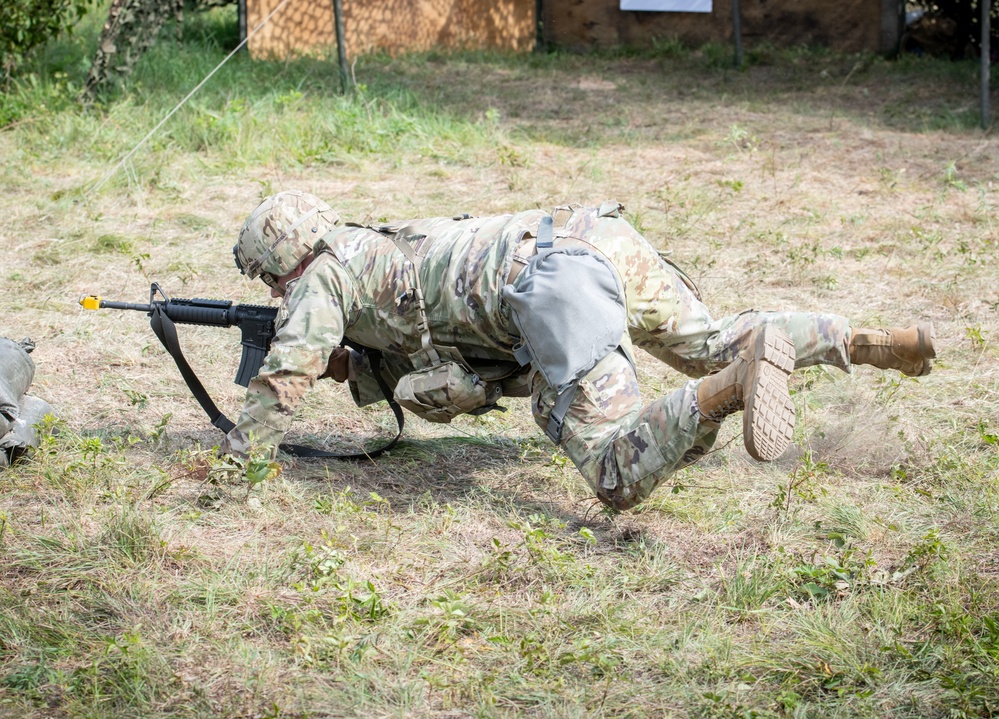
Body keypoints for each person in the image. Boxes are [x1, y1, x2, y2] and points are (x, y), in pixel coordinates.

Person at [221, 190, 936, 511]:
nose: (279, 293)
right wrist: (357, 369)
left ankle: (730, 388)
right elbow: (416, 342)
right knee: (707, 340)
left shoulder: (320, 279)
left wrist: (236, 463)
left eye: (270, 279)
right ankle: (869, 340)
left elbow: (287, 372)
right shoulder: (374, 244)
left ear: (279, 259)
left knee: (614, 469)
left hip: (551, 292)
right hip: (587, 236)